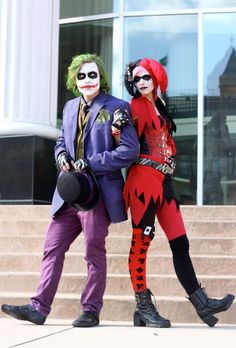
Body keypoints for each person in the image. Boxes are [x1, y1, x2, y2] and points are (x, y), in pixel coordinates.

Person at [1, 53, 139, 327]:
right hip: (67, 195)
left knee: (93, 252)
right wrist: (61, 155)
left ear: (101, 78)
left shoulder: (118, 107)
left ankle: (91, 310)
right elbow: (61, 140)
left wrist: (92, 162)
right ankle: (39, 308)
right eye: (81, 76)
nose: (87, 80)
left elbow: (130, 150)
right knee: (52, 248)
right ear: (74, 80)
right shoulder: (69, 107)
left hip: (97, 196)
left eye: (92, 75)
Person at [122, 57, 235, 328]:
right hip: (142, 182)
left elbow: (166, 142)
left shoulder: (160, 106)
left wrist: (170, 156)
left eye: (145, 77)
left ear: (156, 77)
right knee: (142, 242)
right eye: (136, 79)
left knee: (180, 242)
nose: (141, 83)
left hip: (164, 183)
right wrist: (117, 126)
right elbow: (124, 142)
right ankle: (143, 306)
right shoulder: (134, 106)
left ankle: (200, 301)